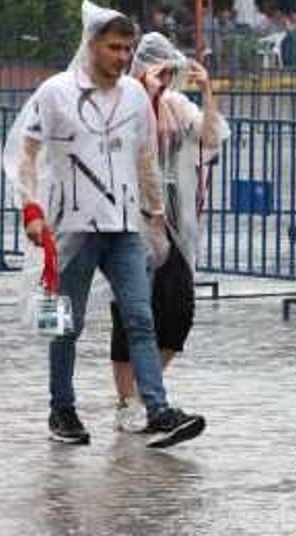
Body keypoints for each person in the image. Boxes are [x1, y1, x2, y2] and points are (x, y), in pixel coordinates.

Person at [3, 0, 206, 449]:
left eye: (128, 48)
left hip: (123, 226)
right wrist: (30, 208)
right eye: (114, 47)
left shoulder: (134, 96)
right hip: (72, 227)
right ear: (92, 45)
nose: (122, 56)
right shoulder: (55, 92)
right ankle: (62, 407)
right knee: (65, 322)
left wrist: (154, 216)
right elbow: (26, 153)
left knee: (140, 315)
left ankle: (157, 410)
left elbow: (145, 158)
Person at [108, 32, 229, 431]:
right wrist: (146, 88)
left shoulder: (177, 106)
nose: (166, 77)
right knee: (132, 312)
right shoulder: (123, 99)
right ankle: (129, 402)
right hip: (132, 220)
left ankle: (147, 389)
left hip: (175, 223)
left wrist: (207, 90)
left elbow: (211, 138)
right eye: (160, 69)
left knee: (178, 312)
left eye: (170, 71)